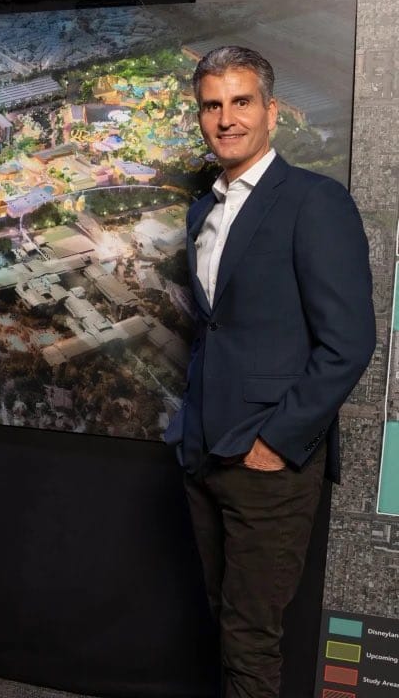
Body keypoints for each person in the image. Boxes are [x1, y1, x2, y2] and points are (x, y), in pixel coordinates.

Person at [164, 45, 375, 697]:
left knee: (252, 643)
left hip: (270, 464)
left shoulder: (315, 202)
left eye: (241, 101)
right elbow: (217, 329)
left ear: (272, 112)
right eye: (212, 105)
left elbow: (349, 342)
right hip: (204, 455)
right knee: (225, 631)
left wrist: (275, 444)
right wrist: (190, 436)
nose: (226, 118)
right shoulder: (204, 209)